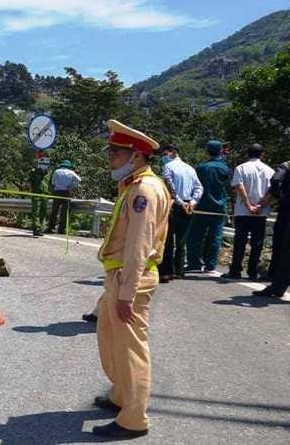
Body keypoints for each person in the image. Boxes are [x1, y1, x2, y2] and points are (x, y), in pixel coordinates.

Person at [92, 120, 170, 439]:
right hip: (119, 275)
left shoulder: (144, 191)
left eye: (115, 151)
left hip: (130, 279)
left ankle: (134, 419)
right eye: (110, 150)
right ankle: (121, 397)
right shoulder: (132, 185)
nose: (109, 156)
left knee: (131, 350)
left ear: (136, 156)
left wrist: (127, 292)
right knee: (111, 341)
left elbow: (139, 244)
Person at [222, 144, 274, 281]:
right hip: (261, 212)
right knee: (257, 243)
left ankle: (235, 270)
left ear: (248, 154)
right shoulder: (269, 170)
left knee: (240, 241)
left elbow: (239, 186)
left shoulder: (241, 168)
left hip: (243, 211)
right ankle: (253, 271)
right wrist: (260, 206)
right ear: (262, 154)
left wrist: (248, 205)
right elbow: (271, 192)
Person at [186, 141, 232, 274]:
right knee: (215, 237)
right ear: (220, 151)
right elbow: (229, 187)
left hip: (202, 206)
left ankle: (193, 262)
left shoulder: (201, 168)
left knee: (195, 236)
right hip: (219, 207)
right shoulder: (225, 168)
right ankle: (210, 265)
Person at [158, 145, 203, 281]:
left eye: (165, 153)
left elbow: (170, 186)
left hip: (174, 206)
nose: (163, 157)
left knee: (168, 239)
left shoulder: (168, 167)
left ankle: (167, 271)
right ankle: (179, 270)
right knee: (182, 240)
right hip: (188, 207)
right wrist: (193, 202)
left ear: (174, 153)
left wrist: (180, 202)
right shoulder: (190, 168)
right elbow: (199, 187)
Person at [263, 161, 290, 279]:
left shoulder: (287, 165)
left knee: (281, 243)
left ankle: (274, 275)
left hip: (287, 211)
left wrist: (282, 196)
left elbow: (275, 181)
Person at [46, 160, 81, 235]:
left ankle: (50, 227)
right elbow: (79, 179)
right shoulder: (72, 172)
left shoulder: (56, 171)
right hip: (66, 192)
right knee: (64, 212)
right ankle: (61, 229)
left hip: (57, 192)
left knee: (54, 210)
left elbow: (53, 183)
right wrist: (71, 186)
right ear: (69, 166)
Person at [30, 157, 51, 237]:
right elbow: (30, 182)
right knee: (36, 212)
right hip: (36, 194)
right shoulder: (34, 172)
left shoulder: (49, 173)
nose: (45, 165)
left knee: (43, 211)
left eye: (46, 164)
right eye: (43, 164)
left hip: (45, 194)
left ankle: (40, 228)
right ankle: (36, 229)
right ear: (39, 164)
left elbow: (50, 183)